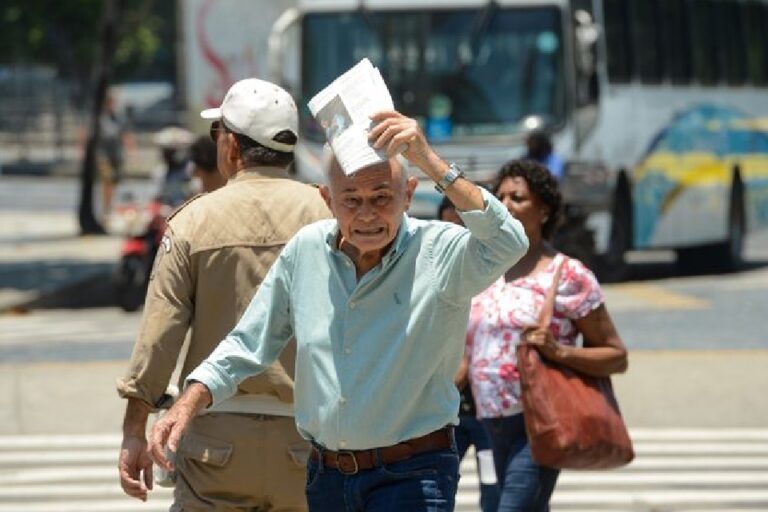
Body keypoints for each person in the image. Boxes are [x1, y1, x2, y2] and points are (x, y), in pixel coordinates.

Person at [147, 109, 530, 511]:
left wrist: (429, 160)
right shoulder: (306, 250)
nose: (367, 214)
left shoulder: (440, 251)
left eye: (381, 197)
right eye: (351, 200)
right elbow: (249, 343)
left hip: (414, 474)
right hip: (327, 476)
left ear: (409, 194)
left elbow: (509, 242)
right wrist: (188, 402)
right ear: (327, 199)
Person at [116, 78, 332, 511]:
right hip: (309, 436)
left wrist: (135, 431)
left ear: (231, 146)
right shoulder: (330, 215)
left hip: (214, 437)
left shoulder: (193, 222)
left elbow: (160, 337)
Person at [466, 159, 628, 511]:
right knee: (493, 506)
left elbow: (616, 356)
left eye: (518, 198)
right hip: (485, 425)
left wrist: (559, 351)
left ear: (544, 210)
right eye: (500, 196)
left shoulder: (568, 274)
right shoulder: (481, 268)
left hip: (537, 423)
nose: (506, 205)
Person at [438, 196, 500, 512]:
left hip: (488, 414)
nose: (456, 234)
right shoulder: (433, 278)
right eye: (449, 225)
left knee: (493, 491)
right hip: (447, 416)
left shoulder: (497, 279)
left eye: (463, 226)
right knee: (438, 489)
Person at [96, 90, 133, 221]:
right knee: (107, 180)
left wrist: (130, 151)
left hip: (116, 153)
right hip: (103, 153)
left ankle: (108, 207)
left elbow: (125, 134)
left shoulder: (118, 118)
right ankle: (106, 209)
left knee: (114, 183)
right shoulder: (99, 117)